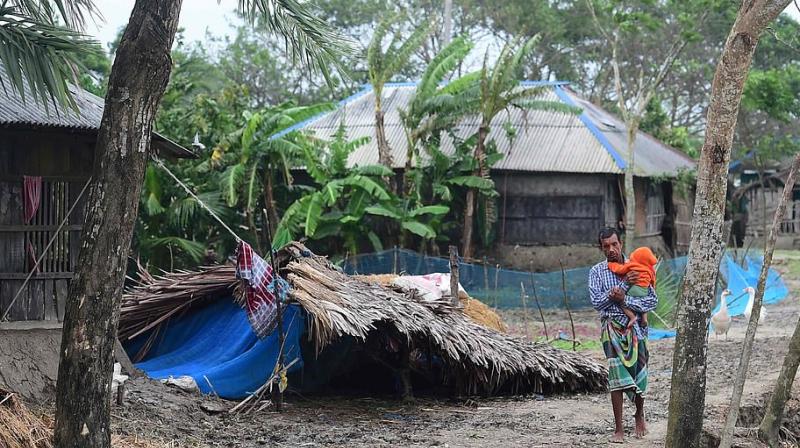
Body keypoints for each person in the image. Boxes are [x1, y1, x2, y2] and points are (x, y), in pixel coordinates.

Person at [589, 227, 658, 443]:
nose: (611, 249)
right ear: (601, 248)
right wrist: (621, 288)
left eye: (614, 244)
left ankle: (639, 415)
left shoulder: (637, 267)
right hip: (611, 328)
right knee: (616, 376)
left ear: (621, 243)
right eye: (606, 246)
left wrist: (624, 299)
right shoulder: (597, 272)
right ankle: (619, 428)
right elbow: (597, 302)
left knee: (639, 373)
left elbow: (652, 300)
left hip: (637, 330)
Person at [607, 246, 658, 330]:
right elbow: (652, 281)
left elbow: (619, 269)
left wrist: (611, 265)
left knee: (622, 302)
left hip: (634, 289)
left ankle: (632, 317)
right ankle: (644, 318)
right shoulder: (649, 269)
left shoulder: (632, 265)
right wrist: (652, 288)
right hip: (644, 290)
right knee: (643, 304)